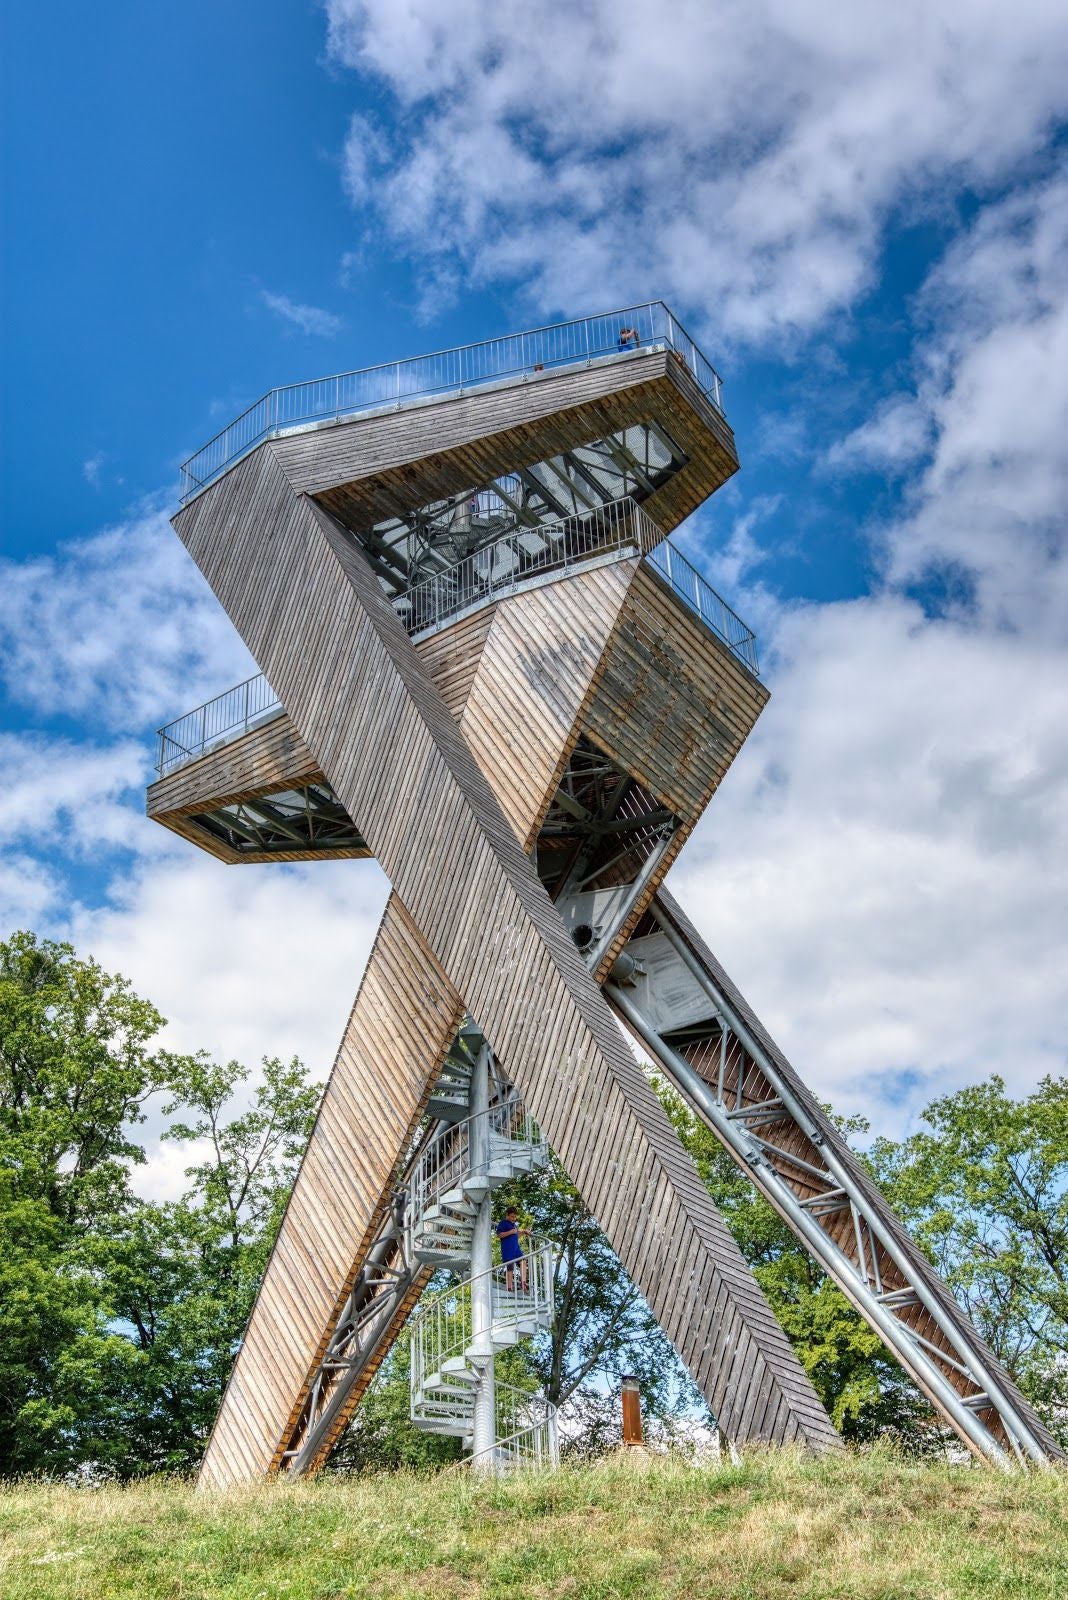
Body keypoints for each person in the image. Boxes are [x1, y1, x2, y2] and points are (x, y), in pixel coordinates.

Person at [495, 1206, 530, 1292]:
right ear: (507, 1215)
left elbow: (515, 1235)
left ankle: (523, 1283)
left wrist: (524, 1232)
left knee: (523, 1261)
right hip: (507, 1249)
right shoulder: (503, 1223)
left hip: (516, 1249)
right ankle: (509, 1288)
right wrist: (511, 1232)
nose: (513, 1218)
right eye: (512, 1216)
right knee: (510, 1268)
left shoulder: (513, 1225)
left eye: (515, 1217)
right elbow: (499, 1235)